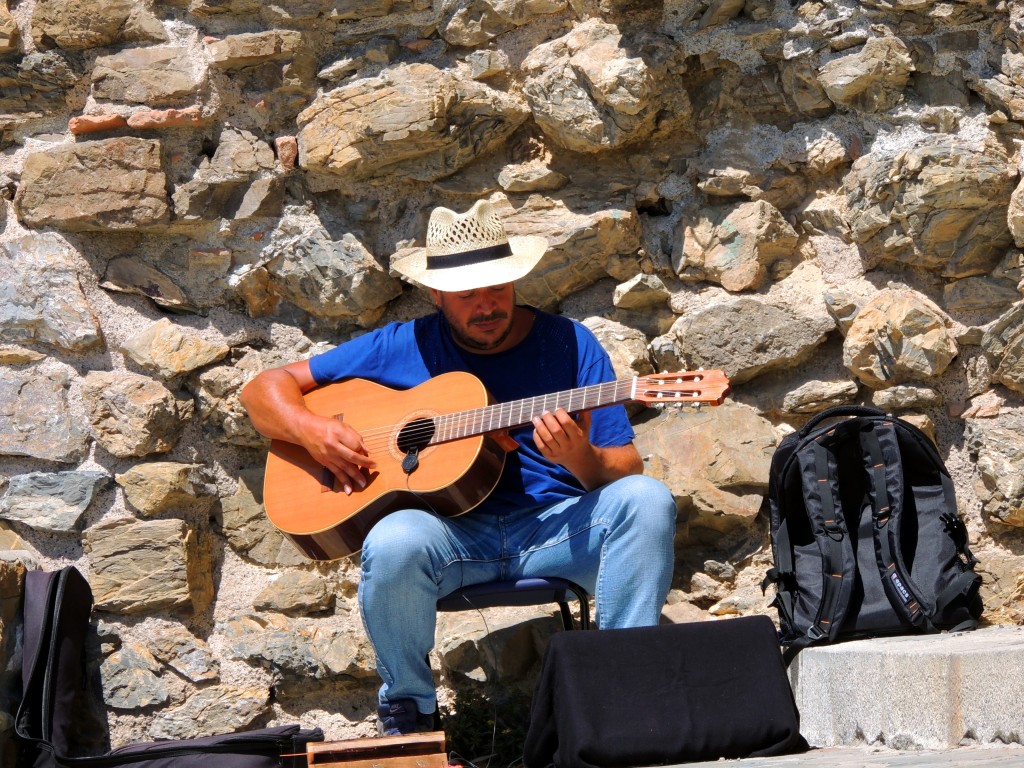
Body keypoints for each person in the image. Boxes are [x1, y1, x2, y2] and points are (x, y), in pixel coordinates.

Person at [240, 198, 677, 736]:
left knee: (648, 500)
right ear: (437, 294)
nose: (486, 306)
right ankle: (410, 716)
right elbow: (263, 390)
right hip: (450, 538)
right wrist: (314, 432)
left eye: (497, 289)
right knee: (395, 538)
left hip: (556, 528)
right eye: (468, 295)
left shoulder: (568, 344)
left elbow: (626, 470)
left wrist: (579, 458)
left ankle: (624, 701)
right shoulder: (403, 345)